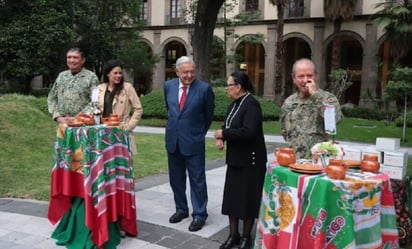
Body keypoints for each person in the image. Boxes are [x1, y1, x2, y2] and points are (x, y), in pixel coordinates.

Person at [214, 71, 267, 249]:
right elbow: (228, 126)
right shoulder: (234, 105)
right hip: (235, 160)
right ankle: (233, 235)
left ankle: (246, 237)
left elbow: (248, 131)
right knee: (232, 200)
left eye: (229, 85)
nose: (226, 89)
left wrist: (224, 134)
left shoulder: (251, 105)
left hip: (251, 162)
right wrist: (222, 136)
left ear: (238, 86)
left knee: (248, 201)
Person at [164, 56, 215, 232]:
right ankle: (181, 209)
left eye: (192, 71)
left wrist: (198, 134)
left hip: (194, 141)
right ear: (177, 72)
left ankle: (200, 214)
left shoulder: (204, 89)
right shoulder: (168, 86)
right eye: (185, 72)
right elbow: (170, 111)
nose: (189, 75)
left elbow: (208, 115)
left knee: (197, 180)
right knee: (176, 179)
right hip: (173, 141)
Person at [280, 58, 343, 159]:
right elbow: (284, 131)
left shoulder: (328, 98)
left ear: (316, 76)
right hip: (294, 161)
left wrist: (315, 95)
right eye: (301, 76)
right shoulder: (289, 102)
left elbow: (335, 119)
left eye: (309, 76)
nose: (305, 80)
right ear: (293, 78)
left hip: (318, 161)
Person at [97, 59, 143, 154]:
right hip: (103, 131)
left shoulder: (127, 88)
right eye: (115, 73)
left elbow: (138, 109)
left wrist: (129, 126)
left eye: (120, 73)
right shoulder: (99, 89)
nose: (118, 76)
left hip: (121, 131)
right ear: (108, 74)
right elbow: (93, 108)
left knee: (122, 164)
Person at [48, 47, 99, 122]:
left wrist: (79, 117)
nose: (71, 60)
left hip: (82, 124)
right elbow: (52, 97)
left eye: (75, 58)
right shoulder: (61, 76)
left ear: (83, 60)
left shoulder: (91, 77)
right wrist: (57, 116)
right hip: (62, 123)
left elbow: (95, 101)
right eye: (69, 57)